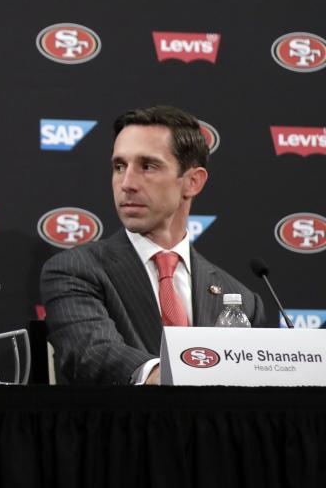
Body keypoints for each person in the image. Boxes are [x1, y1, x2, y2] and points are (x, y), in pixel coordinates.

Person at [40, 106, 264, 385]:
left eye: (147, 166)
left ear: (193, 182)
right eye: (119, 167)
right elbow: (91, 352)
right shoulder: (75, 270)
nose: (127, 183)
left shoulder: (242, 300)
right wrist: (174, 376)